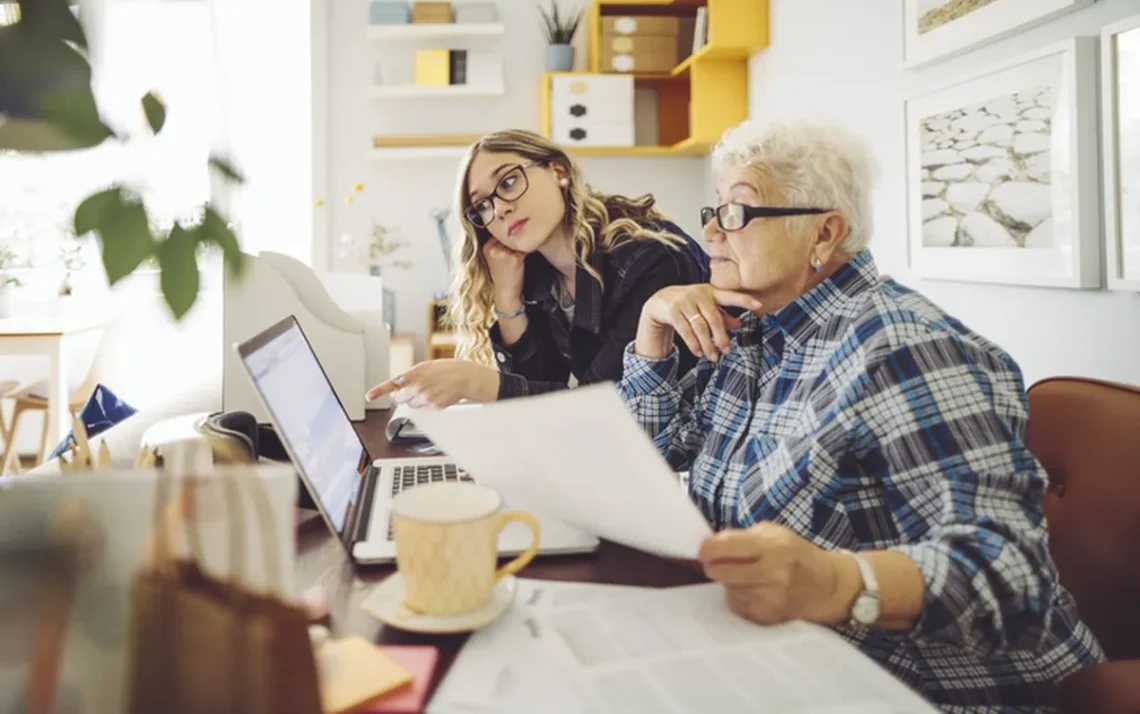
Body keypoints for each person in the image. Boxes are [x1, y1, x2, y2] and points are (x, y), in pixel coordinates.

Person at [617, 119, 1103, 712]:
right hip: (789, 663)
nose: (713, 232)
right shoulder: (758, 332)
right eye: (714, 209)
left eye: (739, 212)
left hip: (934, 692)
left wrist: (834, 581)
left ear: (824, 232)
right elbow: (650, 452)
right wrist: (652, 332)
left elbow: (1013, 575)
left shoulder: (901, 344)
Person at [366, 128, 709, 409]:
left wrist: (472, 380)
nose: (499, 210)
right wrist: (507, 295)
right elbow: (542, 389)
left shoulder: (649, 260)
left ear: (557, 171)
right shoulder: (541, 272)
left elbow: (602, 408)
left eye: (509, 182)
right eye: (482, 206)